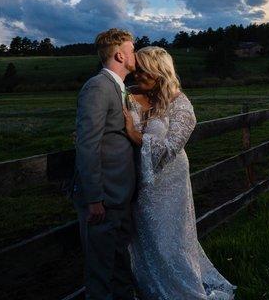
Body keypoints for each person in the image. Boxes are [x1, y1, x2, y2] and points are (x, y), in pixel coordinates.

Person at [122, 46, 236, 299]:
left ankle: (183, 292)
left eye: (142, 70)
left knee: (170, 241)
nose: (136, 75)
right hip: (139, 182)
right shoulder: (128, 96)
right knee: (146, 240)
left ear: (158, 71)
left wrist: (134, 134)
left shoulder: (181, 104)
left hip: (170, 181)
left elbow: (172, 146)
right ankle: (151, 291)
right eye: (136, 69)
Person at [70, 28, 138, 300]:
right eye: (133, 50)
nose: (136, 55)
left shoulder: (118, 88)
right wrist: (94, 197)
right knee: (100, 273)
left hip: (120, 195)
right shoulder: (98, 87)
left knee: (120, 267)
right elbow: (88, 144)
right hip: (104, 199)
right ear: (120, 55)